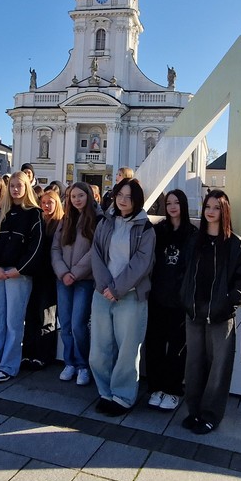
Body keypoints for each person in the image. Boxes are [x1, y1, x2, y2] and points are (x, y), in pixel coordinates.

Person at [181, 189, 241, 435]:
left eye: (216, 207)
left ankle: (210, 415)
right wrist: (186, 300)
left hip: (220, 317)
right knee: (194, 364)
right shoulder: (195, 241)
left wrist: (225, 305)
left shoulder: (235, 244)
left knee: (218, 366)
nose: (211, 211)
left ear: (225, 211)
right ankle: (194, 410)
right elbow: (185, 274)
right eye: (207, 207)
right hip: (194, 314)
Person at [89, 177, 155, 415]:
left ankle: (123, 396)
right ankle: (105, 392)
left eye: (129, 197)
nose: (124, 201)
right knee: (99, 348)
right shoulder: (106, 221)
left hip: (130, 296)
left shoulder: (145, 228)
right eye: (120, 196)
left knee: (127, 350)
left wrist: (117, 289)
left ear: (137, 200)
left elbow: (141, 263)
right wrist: (105, 286)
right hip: (102, 293)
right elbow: (96, 253)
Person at [0, 171, 43, 382]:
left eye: (20, 185)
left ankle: (8, 364)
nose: (16, 189)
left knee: (13, 322)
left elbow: (36, 247)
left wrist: (20, 269)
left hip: (18, 274)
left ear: (26, 188)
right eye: (13, 185)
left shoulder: (34, 213)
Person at [146, 189, 195, 411]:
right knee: (155, 344)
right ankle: (156, 387)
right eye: (169, 203)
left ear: (183, 205)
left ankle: (173, 390)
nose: (173, 207)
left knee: (177, 347)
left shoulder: (192, 234)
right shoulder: (159, 230)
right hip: (157, 296)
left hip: (179, 301)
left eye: (177, 203)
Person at [52, 181, 99, 385]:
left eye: (81, 195)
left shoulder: (97, 219)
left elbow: (95, 250)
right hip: (63, 279)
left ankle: (82, 365)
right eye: (73, 196)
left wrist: (75, 273)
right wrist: (63, 272)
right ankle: (69, 362)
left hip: (84, 280)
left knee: (79, 324)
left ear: (88, 196)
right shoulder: (66, 219)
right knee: (66, 323)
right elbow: (55, 248)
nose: (77, 199)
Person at [23, 187, 63, 368]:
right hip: (34, 274)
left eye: (50, 202)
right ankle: (28, 353)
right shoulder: (37, 221)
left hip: (50, 276)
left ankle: (44, 354)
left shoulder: (60, 223)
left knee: (47, 315)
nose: (47, 206)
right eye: (44, 203)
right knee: (31, 314)